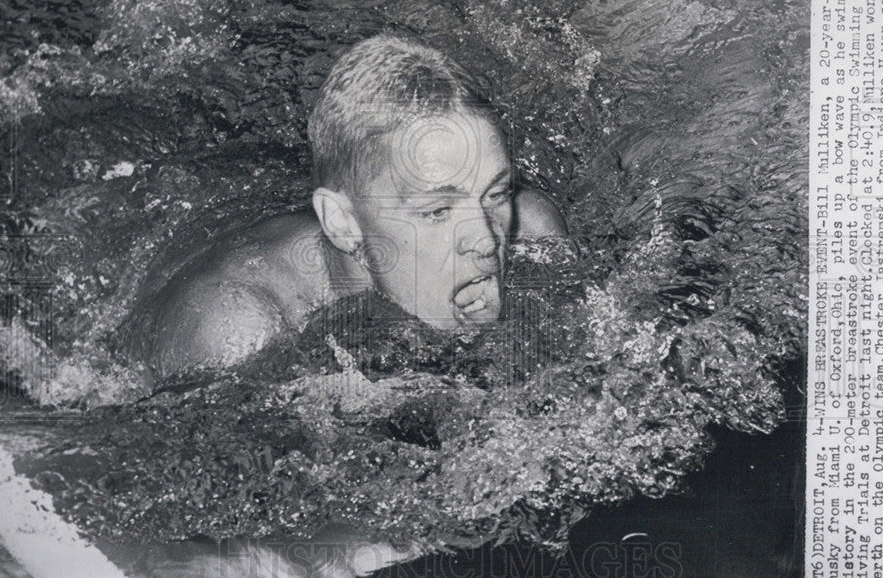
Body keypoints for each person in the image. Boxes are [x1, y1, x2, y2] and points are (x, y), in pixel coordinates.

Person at [133, 34, 567, 379]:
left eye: (495, 194)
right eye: (437, 211)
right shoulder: (234, 328)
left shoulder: (532, 230)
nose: (487, 240)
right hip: (165, 213)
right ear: (344, 225)